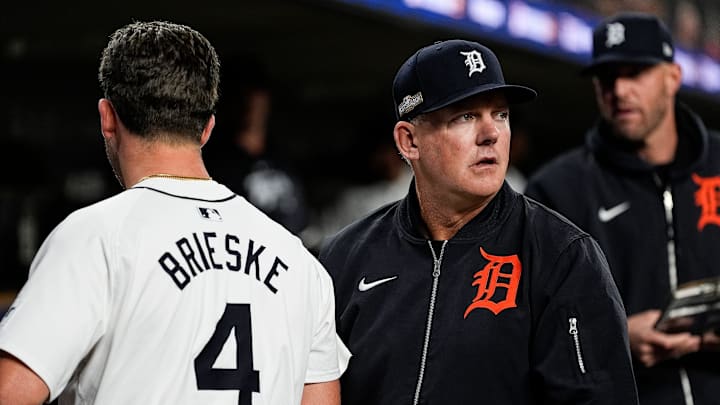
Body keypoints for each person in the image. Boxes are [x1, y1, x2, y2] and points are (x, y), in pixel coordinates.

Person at [0, 21, 348, 405]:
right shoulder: (298, 260)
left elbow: (10, 394)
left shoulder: (96, 237)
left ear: (107, 118)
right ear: (206, 129)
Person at [319, 39, 639, 404]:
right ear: (409, 141)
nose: (491, 134)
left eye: (500, 114)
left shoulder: (561, 256)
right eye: (465, 116)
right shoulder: (347, 256)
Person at [525, 12, 720, 405]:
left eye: (636, 73)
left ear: (673, 77)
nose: (619, 90)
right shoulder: (556, 189)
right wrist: (612, 336)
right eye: (607, 77)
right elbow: (525, 329)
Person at [204, 60, 308, 234]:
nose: (249, 101)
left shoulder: (283, 154)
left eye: (256, 93)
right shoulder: (212, 161)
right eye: (240, 93)